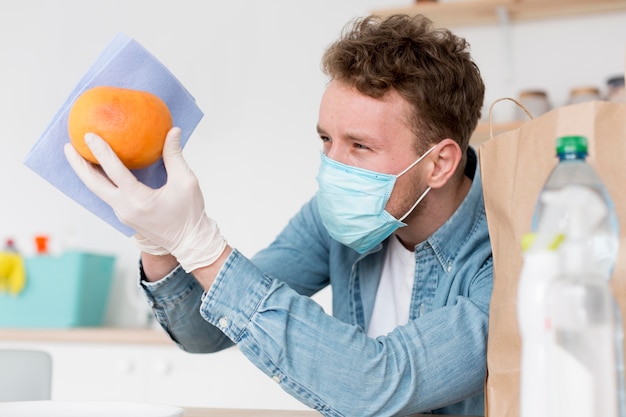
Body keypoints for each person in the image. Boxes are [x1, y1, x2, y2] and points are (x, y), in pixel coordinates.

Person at [65, 14, 492, 417]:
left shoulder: (503, 257)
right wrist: (160, 241)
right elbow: (205, 330)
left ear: (439, 164)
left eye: (359, 146)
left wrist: (202, 246)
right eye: (326, 139)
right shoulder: (336, 218)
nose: (332, 166)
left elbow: (375, 383)